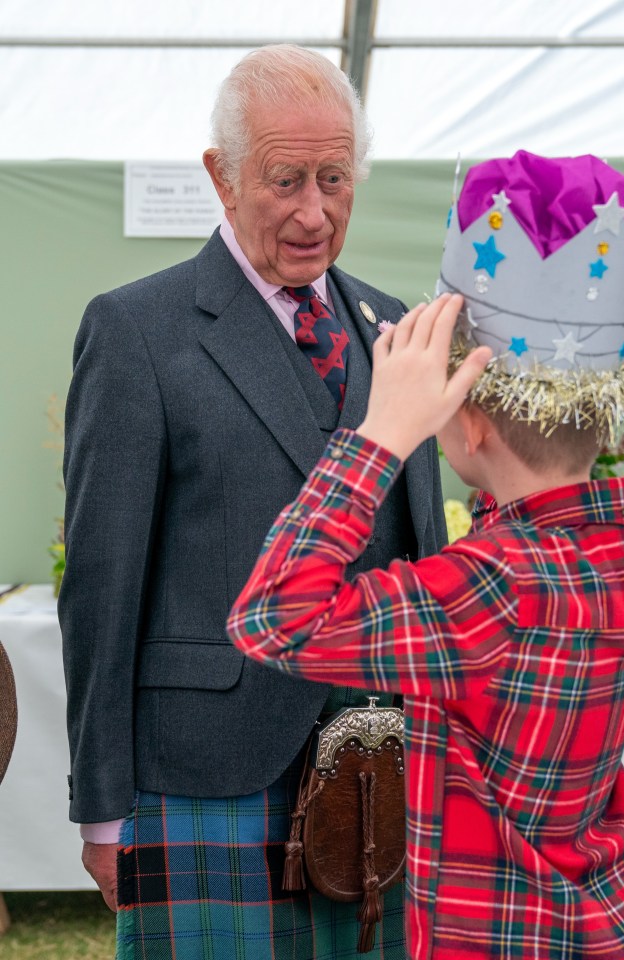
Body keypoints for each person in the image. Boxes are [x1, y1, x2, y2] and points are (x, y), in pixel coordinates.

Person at [227, 151, 624, 959]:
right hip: (604, 923)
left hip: (495, 936)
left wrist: (379, 434)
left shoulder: (488, 588)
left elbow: (271, 619)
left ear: (466, 423)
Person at [59, 45, 446, 959]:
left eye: (334, 179)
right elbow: (102, 585)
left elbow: (420, 553)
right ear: (221, 178)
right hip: (200, 774)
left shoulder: (393, 325)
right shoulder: (136, 330)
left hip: (372, 767)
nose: (314, 212)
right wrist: (103, 808)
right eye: (284, 180)